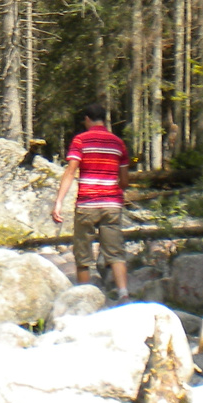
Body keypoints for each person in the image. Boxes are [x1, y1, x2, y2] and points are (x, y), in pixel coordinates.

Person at [51, 104, 130, 300]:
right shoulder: (118, 143)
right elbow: (125, 181)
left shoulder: (80, 140)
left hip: (87, 203)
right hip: (112, 204)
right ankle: (123, 293)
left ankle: (85, 296)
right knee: (115, 251)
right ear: (104, 119)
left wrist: (59, 201)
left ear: (87, 119)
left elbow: (70, 171)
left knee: (83, 252)